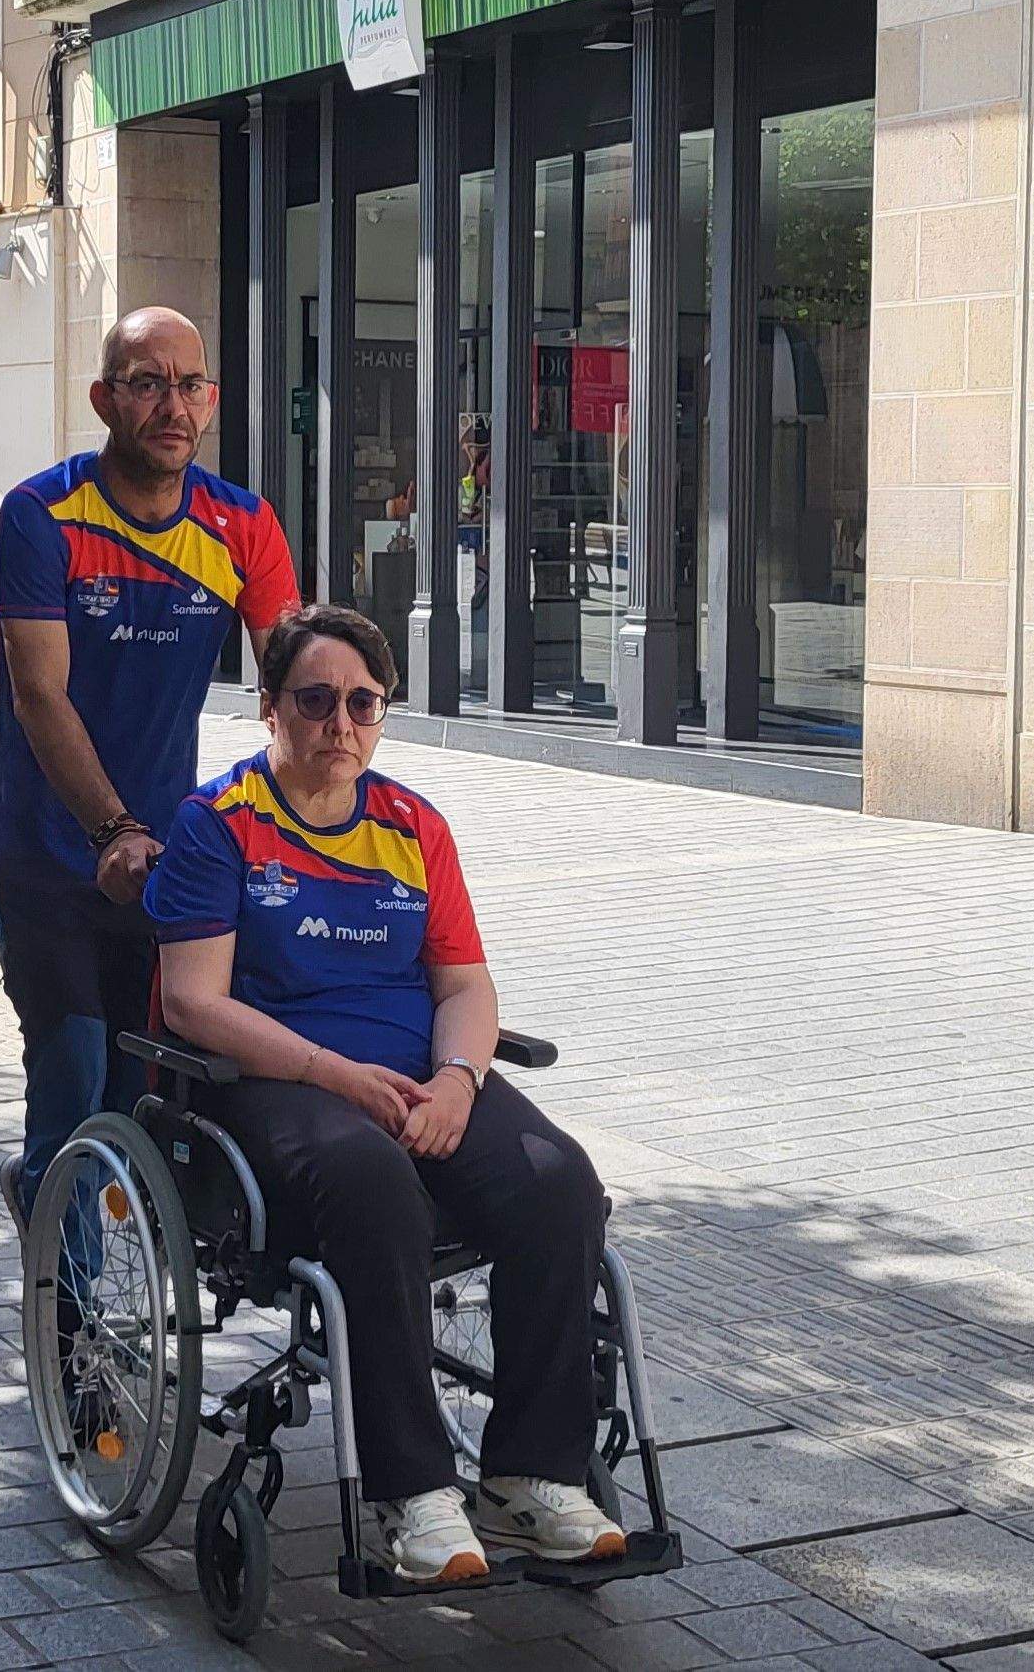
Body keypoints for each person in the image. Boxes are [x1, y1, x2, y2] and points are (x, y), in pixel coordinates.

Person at [145, 604, 621, 1584]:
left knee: (558, 1182)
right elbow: (192, 1003)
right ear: (271, 708)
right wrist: (332, 1074)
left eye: (365, 703)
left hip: (413, 1078)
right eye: (316, 701)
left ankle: (530, 1479)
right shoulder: (218, 826)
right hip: (273, 1079)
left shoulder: (412, 826)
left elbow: (465, 986)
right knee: (372, 1180)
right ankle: (412, 1492)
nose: (342, 724)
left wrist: (458, 1079)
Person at [0, 307, 298, 1218]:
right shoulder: (43, 514)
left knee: (142, 1097)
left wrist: (305, 810)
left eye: (188, 384)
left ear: (211, 401)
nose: (171, 404)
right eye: (146, 382)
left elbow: (292, 678)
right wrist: (110, 827)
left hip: (164, 863)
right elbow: (40, 693)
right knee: (73, 1079)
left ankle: (45, 1194)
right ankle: (76, 1344)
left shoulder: (241, 523)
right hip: (41, 851)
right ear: (104, 399)